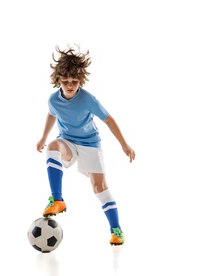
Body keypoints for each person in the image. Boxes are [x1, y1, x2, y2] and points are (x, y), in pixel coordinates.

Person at [36, 46, 135, 246]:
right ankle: (57, 199)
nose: (70, 85)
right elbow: (51, 114)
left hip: (90, 144)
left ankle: (116, 230)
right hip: (68, 142)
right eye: (65, 81)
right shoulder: (53, 100)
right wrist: (43, 137)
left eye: (74, 81)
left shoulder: (88, 99)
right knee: (53, 146)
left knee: (100, 188)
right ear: (58, 81)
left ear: (81, 80)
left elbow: (108, 119)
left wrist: (124, 144)